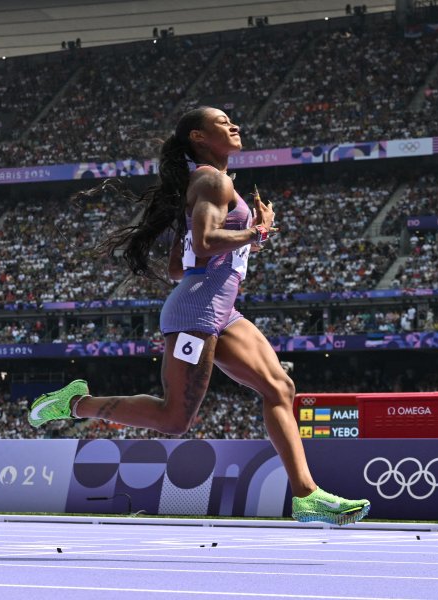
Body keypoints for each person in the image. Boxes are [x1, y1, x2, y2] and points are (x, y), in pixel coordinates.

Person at [28, 107, 370, 525]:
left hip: (219, 310)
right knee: (175, 419)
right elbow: (207, 241)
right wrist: (258, 232)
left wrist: (248, 244)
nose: (235, 125)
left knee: (280, 386)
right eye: (223, 122)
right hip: (197, 313)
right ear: (199, 137)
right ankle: (74, 403)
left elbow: (180, 265)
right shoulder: (212, 180)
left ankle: (306, 496)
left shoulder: (207, 184)